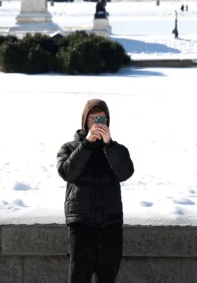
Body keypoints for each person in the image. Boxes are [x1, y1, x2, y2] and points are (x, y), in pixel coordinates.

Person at [57, 99, 135, 283]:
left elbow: (125, 173)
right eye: (93, 118)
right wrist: (86, 144)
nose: (97, 123)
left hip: (110, 226)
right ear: (85, 121)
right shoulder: (69, 148)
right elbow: (67, 172)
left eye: (101, 118)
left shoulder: (117, 149)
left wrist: (109, 146)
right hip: (81, 225)